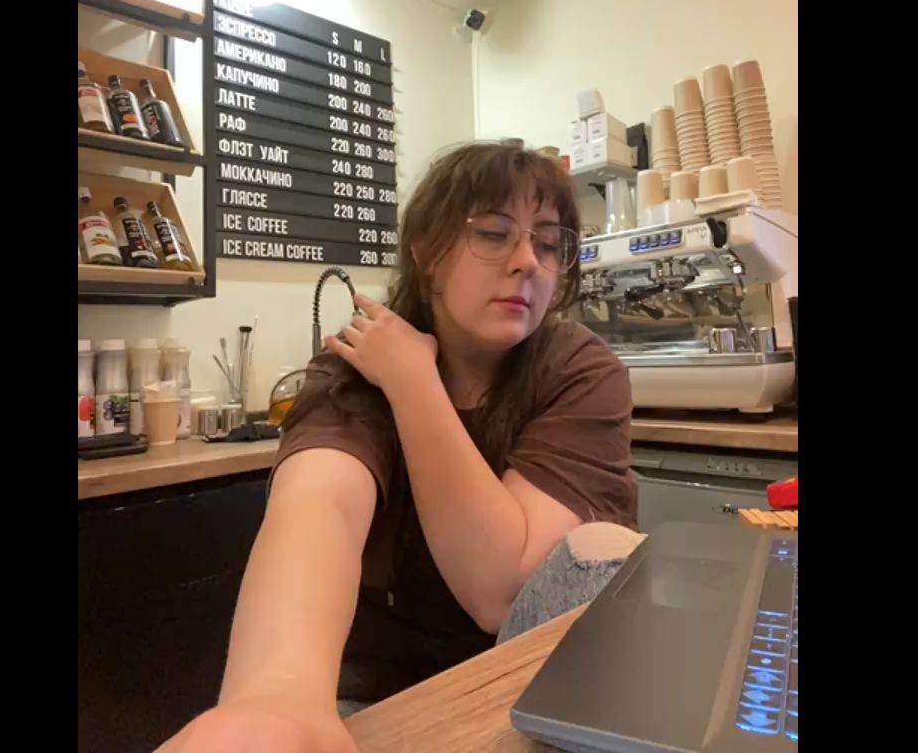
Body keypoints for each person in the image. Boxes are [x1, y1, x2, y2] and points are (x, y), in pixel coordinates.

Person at [159, 142, 637, 753]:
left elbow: (498, 591)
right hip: (378, 697)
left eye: (547, 244)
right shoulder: (354, 370)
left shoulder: (579, 371)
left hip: (532, 690)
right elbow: (320, 508)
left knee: (607, 553)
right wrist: (276, 700)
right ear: (427, 254)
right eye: (493, 234)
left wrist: (414, 381)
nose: (526, 262)